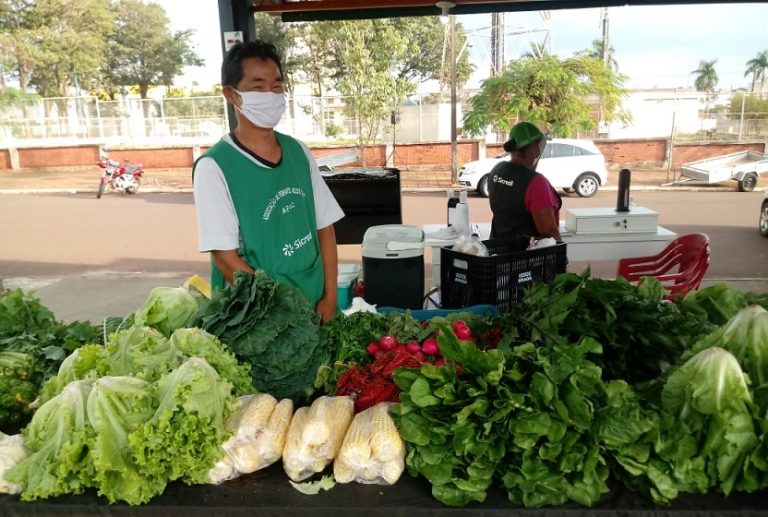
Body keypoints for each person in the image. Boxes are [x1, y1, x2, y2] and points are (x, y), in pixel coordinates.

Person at [193, 40, 344, 323]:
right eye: (258, 87)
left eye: (277, 86)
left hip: (315, 301)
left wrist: (330, 296)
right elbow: (225, 259)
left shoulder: (299, 152)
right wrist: (281, 312)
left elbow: (325, 228)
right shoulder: (214, 167)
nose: (270, 95)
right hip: (257, 315)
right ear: (232, 95)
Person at [488, 121, 562, 241]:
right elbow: (548, 231)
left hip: (499, 250)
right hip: (526, 255)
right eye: (539, 145)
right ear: (534, 147)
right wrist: (561, 254)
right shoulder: (536, 182)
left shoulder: (497, 170)